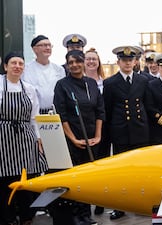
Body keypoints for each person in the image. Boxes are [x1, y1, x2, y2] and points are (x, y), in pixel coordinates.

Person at [53, 50, 104, 225]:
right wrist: (73, 139)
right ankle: (75, 215)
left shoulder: (91, 83)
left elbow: (100, 111)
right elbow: (62, 114)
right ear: (67, 65)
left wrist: (98, 136)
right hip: (72, 138)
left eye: (77, 61)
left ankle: (86, 215)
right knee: (75, 178)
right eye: (70, 62)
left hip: (92, 139)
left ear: (83, 63)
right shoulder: (62, 85)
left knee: (88, 178)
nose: (74, 65)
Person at [0, 51, 48, 225]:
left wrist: (38, 139)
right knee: (4, 181)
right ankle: (7, 218)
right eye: (13, 63)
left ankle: (27, 217)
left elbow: (34, 117)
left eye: (20, 64)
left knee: (26, 180)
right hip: (2, 138)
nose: (17, 66)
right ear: (6, 66)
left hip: (25, 138)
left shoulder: (29, 89)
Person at [102, 45, 150, 220]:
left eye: (130, 60)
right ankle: (120, 206)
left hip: (140, 131)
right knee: (122, 172)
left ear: (135, 62)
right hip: (121, 131)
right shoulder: (110, 83)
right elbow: (107, 109)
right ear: (118, 62)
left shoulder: (143, 80)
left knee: (141, 171)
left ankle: (141, 203)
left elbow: (147, 105)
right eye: (124, 60)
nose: (128, 63)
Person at [84, 48, 109, 215]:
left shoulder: (105, 83)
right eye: (88, 59)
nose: (91, 62)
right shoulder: (78, 81)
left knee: (103, 164)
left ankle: (101, 201)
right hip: (86, 127)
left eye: (94, 59)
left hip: (105, 127)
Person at [22, 35, 66, 114]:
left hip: (55, 113)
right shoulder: (26, 69)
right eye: (44, 45)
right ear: (35, 49)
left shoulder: (59, 69)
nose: (48, 48)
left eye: (49, 45)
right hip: (33, 112)